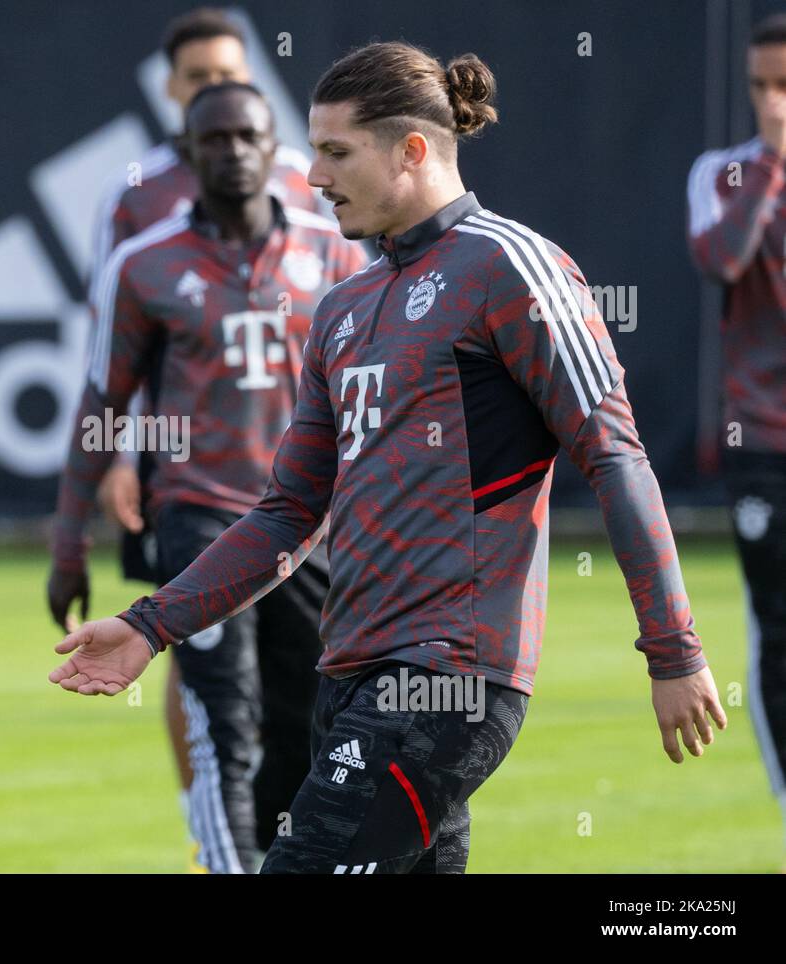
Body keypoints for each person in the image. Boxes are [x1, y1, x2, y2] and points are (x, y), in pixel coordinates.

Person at [52, 41, 725, 873]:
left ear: (411, 151)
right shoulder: (341, 308)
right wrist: (152, 625)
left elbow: (616, 457)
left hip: (450, 681)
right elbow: (287, 515)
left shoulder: (512, 266)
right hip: (349, 676)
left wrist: (674, 650)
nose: (312, 176)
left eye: (335, 152)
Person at [51, 82, 364, 872]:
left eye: (247, 136)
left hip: (306, 525)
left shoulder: (334, 250)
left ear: (274, 147)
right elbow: (101, 408)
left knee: (303, 723)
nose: (232, 151)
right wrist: (68, 544)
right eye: (214, 139)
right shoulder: (144, 263)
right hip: (195, 520)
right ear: (189, 155)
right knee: (223, 718)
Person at [686, 12, 786, 864]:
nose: (771, 102)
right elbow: (723, 259)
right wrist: (773, 167)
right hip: (765, 442)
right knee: (778, 629)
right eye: (760, 86)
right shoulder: (721, 173)